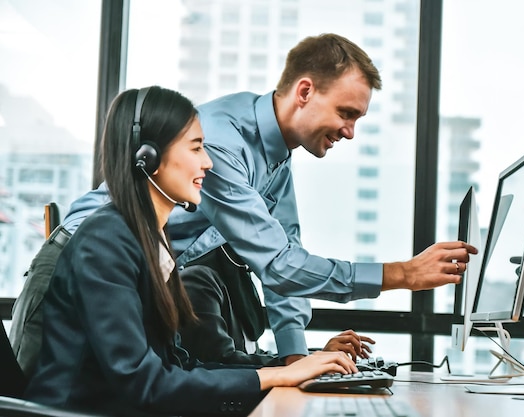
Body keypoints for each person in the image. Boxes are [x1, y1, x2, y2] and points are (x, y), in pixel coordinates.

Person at [20, 33, 476, 369]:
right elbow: (278, 265)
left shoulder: (275, 160)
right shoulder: (221, 143)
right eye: (346, 112)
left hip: (137, 278)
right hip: (81, 270)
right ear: (304, 92)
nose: (350, 131)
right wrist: (401, 275)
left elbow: (281, 267)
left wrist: (300, 362)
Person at [23, 86, 357, 416]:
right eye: (196, 148)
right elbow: (145, 384)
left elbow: (179, 365)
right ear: (148, 157)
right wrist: (276, 375)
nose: (209, 163)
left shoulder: (153, 239)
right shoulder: (106, 241)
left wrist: (286, 369)